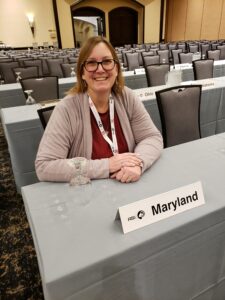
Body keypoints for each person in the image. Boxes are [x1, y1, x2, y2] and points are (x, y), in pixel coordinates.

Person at [35, 36, 163, 184]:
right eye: (91, 63)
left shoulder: (127, 96)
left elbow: (152, 137)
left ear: (116, 69)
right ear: (82, 73)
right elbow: (44, 166)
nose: (100, 69)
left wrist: (138, 163)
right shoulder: (67, 109)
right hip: (87, 194)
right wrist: (107, 165)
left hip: (129, 183)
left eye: (107, 61)